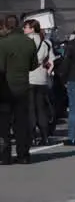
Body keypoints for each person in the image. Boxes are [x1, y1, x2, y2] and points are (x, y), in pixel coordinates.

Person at [0, 16, 39, 164]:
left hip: (5, 88)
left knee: (4, 124)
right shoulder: (29, 42)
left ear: (6, 26)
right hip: (23, 86)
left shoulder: (3, 44)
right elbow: (33, 65)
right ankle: (23, 155)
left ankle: (5, 155)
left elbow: (1, 68)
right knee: (21, 122)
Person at [25, 19, 54, 146]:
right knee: (41, 109)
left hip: (29, 78)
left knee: (30, 109)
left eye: (26, 27)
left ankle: (32, 137)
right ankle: (45, 136)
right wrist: (47, 73)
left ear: (32, 28)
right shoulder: (46, 43)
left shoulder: (26, 42)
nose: (24, 29)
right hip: (42, 79)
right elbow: (51, 61)